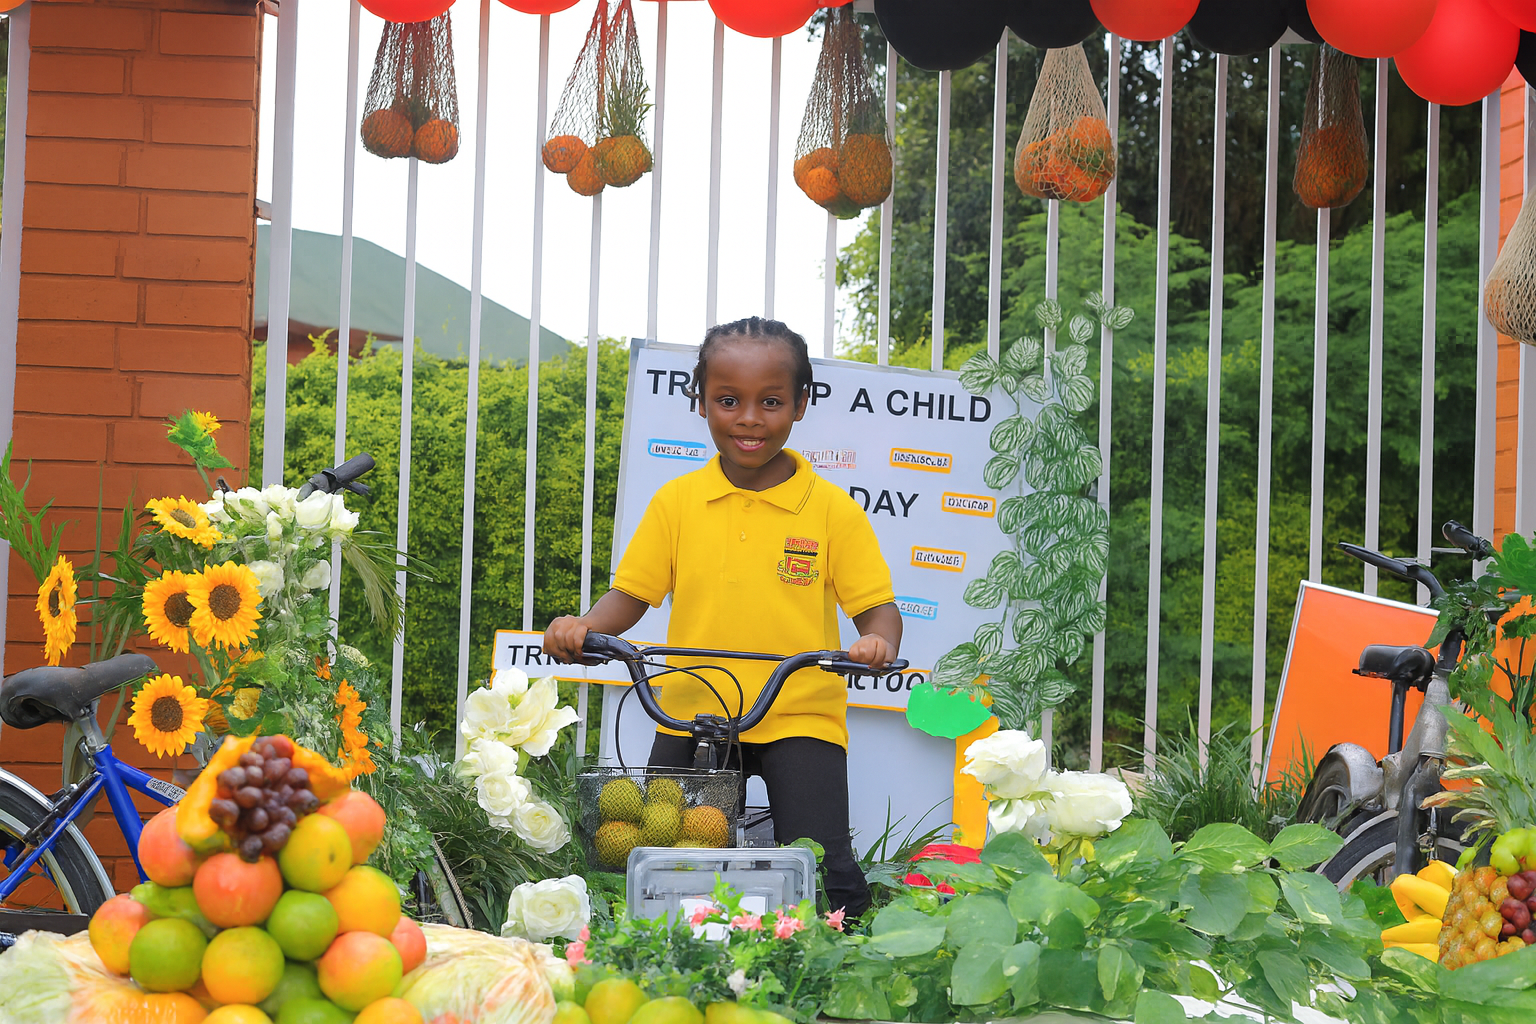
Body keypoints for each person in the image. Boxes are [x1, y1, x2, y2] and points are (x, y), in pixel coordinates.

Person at [544, 316, 901, 917]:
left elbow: (878, 608)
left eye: (771, 402)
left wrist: (876, 642)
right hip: (690, 708)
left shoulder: (832, 511)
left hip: (799, 710)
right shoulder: (677, 502)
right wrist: (583, 626)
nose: (750, 419)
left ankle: (842, 966)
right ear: (701, 403)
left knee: (823, 865)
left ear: (801, 406)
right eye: (728, 401)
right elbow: (631, 596)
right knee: (660, 852)